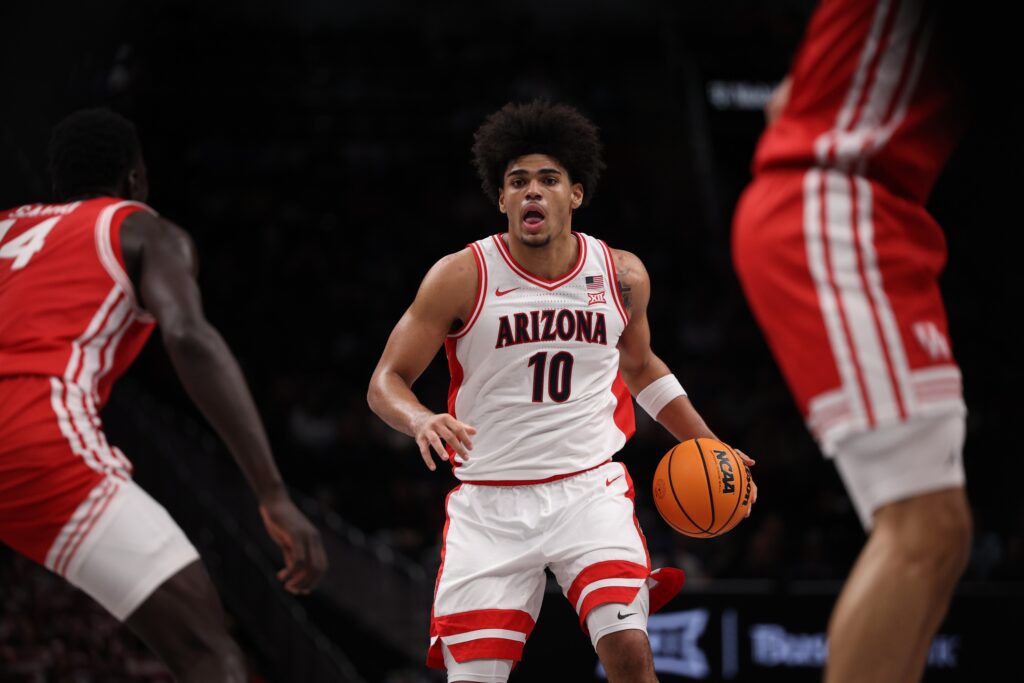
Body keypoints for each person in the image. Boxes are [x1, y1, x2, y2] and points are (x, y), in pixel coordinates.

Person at [368, 100, 754, 683]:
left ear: (575, 193)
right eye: (517, 181)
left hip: (587, 490)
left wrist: (709, 443)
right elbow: (384, 382)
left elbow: (641, 367)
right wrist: (420, 419)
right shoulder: (462, 275)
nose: (532, 192)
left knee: (627, 646)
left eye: (548, 179)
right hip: (491, 502)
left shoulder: (621, 275)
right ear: (500, 199)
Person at [0, 108, 328, 681]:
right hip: (33, 435)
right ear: (134, 179)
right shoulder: (141, 227)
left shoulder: (6, 225)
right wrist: (272, 493)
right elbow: (189, 338)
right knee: (207, 649)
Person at [731, 1, 971, 681]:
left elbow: (784, 103)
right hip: (836, 200)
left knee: (941, 535)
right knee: (922, 528)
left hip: (872, 213)